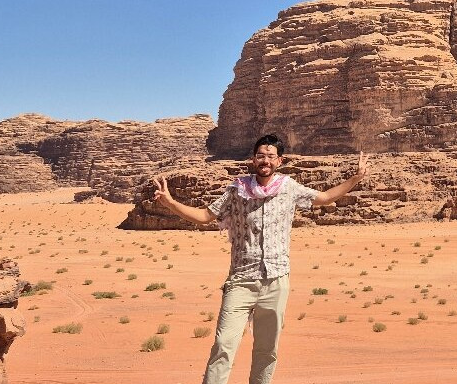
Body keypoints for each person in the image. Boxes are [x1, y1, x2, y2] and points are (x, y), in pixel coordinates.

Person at [153, 134, 369, 384]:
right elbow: (204, 216)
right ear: (253, 159)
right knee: (224, 344)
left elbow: (324, 198)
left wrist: (355, 179)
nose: (264, 161)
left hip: (275, 280)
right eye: (260, 156)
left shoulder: (290, 188)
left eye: (270, 156)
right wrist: (170, 204)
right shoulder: (237, 190)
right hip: (241, 280)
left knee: (267, 350)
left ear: (280, 160)